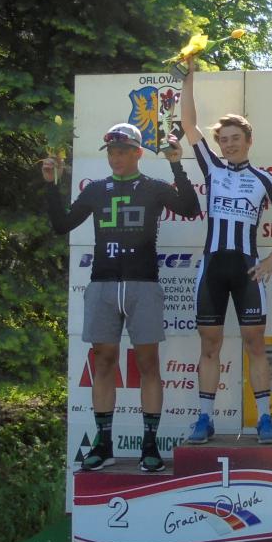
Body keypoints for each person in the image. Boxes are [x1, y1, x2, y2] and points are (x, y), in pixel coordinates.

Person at [41, 122, 200, 472]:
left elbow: (190, 208)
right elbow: (61, 225)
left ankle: (149, 445)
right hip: (103, 284)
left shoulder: (154, 187)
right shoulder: (96, 190)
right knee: (103, 362)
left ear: (137, 153)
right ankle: (104, 443)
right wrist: (51, 186)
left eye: (123, 151)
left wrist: (177, 165)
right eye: (112, 152)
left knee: (148, 364)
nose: (116, 158)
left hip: (143, 285)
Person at [180, 67, 272, 445]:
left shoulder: (264, 179)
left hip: (248, 270)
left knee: (255, 344)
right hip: (213, 269)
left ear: (249, 140)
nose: (229, 144)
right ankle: (204, 418)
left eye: (235, 139)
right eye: (224, 140)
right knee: (209, 345)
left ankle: (264, 419)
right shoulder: (212, 168)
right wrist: (187, 78)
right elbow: (189, 124)